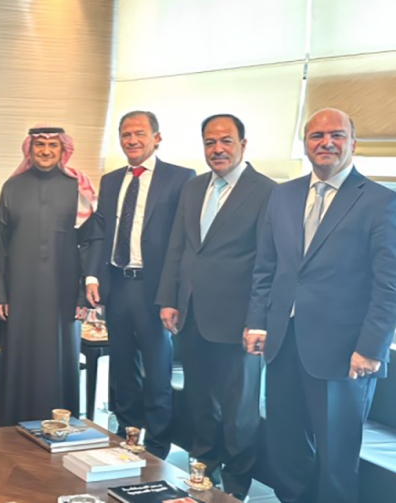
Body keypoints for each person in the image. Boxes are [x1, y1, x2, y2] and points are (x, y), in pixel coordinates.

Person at [244, 108, 396, 503]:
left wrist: (372, 347)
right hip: (283, 343)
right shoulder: (283, 194)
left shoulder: (381, 201)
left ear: (353, 143)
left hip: (345, 353)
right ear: (305, 144)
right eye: (316, 135)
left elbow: (389, 284)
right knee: (286, 448)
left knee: (336, 460)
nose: (326, 142)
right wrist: (257, 322)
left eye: (337, 135)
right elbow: (267, 265)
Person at [155, 114, 275, 499]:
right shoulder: (193, 187)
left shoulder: (267, 191)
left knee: (239, 413)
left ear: (243, 144)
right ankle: (203, 475)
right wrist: (169, 299)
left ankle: (237, 488)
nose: (217, 149)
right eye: (210, 142)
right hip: (192, 316)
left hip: (240, 323)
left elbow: (268, 262)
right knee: (200, 404)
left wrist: (258, 320)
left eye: (226, 141)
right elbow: (178, 247)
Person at [83, 111, 194, 459]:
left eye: (140, 133)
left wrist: (173, 294)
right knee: (121, 365)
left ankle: (158, 442)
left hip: (155, 289)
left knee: (158, 368)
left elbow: (183, 240)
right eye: (126, 134)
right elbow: (101, 232)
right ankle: (126, 430)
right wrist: (92, 275)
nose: (132, 140)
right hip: (118, 284)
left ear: (156, 138)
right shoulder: (111, 180)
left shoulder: (180, 178)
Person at [0, 125, 96, 426]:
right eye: (40, 145)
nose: (46, 151)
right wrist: (0, 293)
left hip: (64, 293)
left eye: (52, 145)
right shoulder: (13, 187)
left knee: (60, 360)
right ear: (30, 149)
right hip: (19, 291)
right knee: (19, 360)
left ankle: (60, 428)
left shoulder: (78, 188)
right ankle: (12, 430)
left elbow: (89, 244)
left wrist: (82, 296)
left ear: (63, 150)